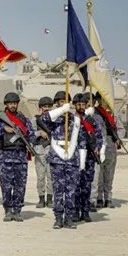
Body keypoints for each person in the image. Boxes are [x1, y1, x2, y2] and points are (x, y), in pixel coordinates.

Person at [0, 92, 35, 222]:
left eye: (14, 103)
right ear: (6, 104)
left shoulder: (24, 119)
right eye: (10, 103)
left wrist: (27, 138)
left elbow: (32, 135)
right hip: (5, 157)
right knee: (6, 186)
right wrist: (4, 129)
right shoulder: (0, 120)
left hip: (20, 157)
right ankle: (8, 210)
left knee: (20, 186)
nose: (13, 105)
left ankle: (17, 210)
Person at [40, 92, 82, 229]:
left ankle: (69, 217)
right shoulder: (54, 118)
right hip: (57, 158)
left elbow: (81, 140)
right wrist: (61, 110)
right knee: (58, 190)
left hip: (72, 158)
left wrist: (82, 161)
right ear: (57, 103)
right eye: (61, 101)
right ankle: (58, 218)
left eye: (66, 101)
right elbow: (43, 119)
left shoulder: (75, 119)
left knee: (71, 190)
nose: (64, 103)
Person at [74, 93, 102, 223]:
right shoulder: (71, 119)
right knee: (75, 186)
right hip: (75, 158)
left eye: (83, 105)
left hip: (89, 157)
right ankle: (75, 212)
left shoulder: (91, 120)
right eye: (78, 104)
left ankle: (85, 211)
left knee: (86, 185)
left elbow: (99, 136)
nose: (81, 107)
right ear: (75, 105)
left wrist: (97, 147)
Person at [91, 92, 122, 209]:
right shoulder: (94, 113)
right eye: (102, 99)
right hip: (99, 146)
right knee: (99, 173)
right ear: (98, 100)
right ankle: (99, 198)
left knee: (109, 173)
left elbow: (121, 129)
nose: (104, 102)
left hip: (111, 146)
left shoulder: (113, 114)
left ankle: (108, 197)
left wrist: (118, 138)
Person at [32, 97, 53, 208]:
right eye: (45, 106)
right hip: (39, 151)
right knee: (40, 177)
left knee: (51, 176)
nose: (47, 109)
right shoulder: (35, 120)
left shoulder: (54, 120)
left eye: (49, 106)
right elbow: (30, 135)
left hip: (51, 151)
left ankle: (49, 198)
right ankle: (41, 198)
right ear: (40, 108)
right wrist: (39, 133)